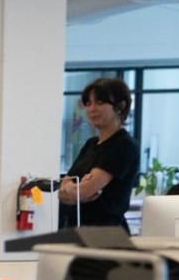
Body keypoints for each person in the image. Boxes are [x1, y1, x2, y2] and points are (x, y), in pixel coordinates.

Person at [58, 77, 141, 232]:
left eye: (100, 102)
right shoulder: (91, 144)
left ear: (120, 106)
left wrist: (77, 189)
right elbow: (63, 191)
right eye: (88, 103)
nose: (91, 109)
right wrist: (74, 188)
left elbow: (85, 191)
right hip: (77, 230)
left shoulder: (124, 145)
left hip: (106, 234)